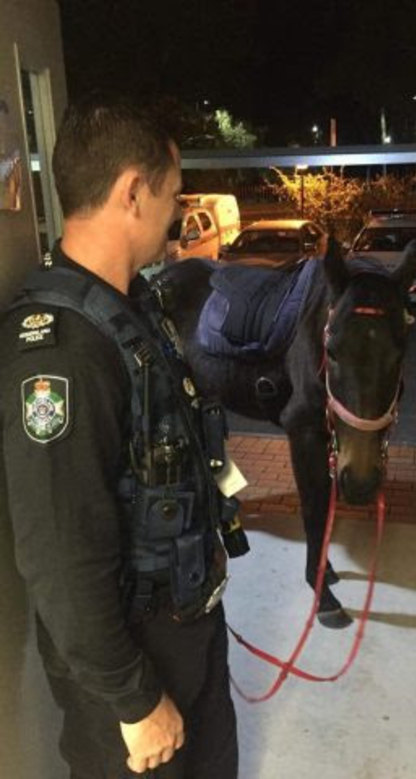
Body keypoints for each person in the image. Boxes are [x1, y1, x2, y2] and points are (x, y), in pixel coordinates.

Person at [0, 96, 239, 778]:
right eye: (172, 192)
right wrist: (136, 701)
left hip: (188, 632)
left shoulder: (130, 310)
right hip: (134, 677)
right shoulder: (59, 353)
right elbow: (59, 555)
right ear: (133, 192)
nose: (177, 212)